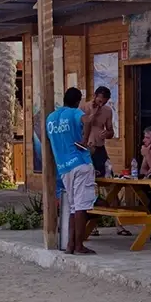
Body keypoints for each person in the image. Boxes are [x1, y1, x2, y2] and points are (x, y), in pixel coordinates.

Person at [44, 87, 98, 255]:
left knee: (73, 207)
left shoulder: (51, 118)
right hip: (80, 163)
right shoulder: (74, 113)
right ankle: (79, 245)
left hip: (63, 166)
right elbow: (88, 121)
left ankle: (70, 245)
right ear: (77, 101)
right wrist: (84, 140)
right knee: (81, 207)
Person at [82, 86, 115, 178]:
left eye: (104, 103)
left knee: (107, 174)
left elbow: (111, 132)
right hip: (87, 147)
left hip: (99, 147)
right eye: (100, 101)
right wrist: (93, 113)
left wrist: (107, 133)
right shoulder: (83, 108)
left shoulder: (107, 111)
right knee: (87, 176)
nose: (101, 105)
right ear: (94, 96)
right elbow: (82, 126)